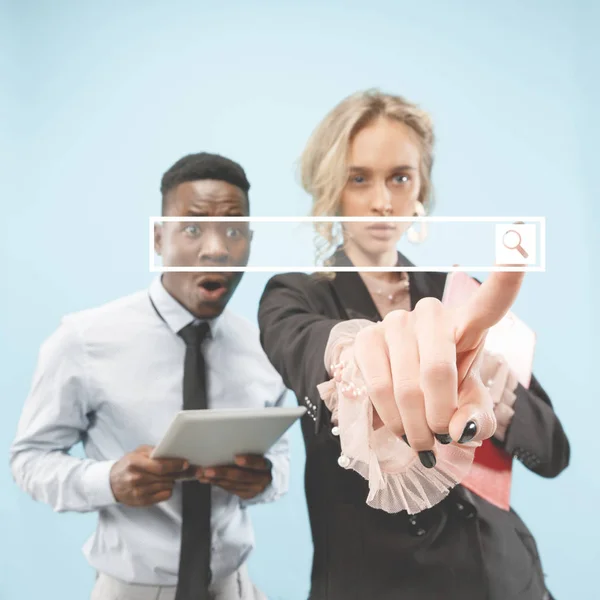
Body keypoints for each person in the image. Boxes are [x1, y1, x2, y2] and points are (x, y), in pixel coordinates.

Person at [257, 91, 569, 600]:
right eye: (360, 178)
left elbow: (554, 453)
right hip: (384, 581)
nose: (382, 200)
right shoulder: (296, 293)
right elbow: (310, 347)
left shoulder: (463, 294)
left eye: (400, 177)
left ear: (421, 186)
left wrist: (503, 398)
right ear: (332, 187)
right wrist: (356, 354)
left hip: (508, 576)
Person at [10, 152, 289, 600]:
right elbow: (29, 460)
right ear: (158, 237)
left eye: (234, 230)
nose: (216, 248)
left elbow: (281, 454)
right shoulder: (82, 340)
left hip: (234, 589)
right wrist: (108, 482)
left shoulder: (263, 347)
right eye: (193, 227)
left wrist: (266, 479)